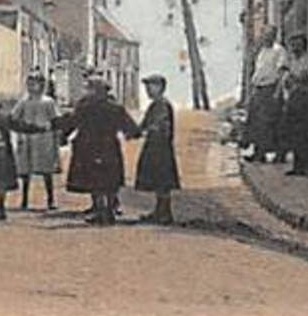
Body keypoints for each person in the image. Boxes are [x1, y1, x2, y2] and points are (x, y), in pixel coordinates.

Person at [55, 73, 141, 225]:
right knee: (108, 179)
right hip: (109, 146)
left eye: (89, 88)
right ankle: (108, 211)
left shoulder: (84, 106)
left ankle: (100, 210)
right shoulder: (115, 107)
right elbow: (131, 128)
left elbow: (72, 122)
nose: (87, 91)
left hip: (88, 146)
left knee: (94, 180)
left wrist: (62, 135)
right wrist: (132, 133)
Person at [134, 74, 181, 224]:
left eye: (151, 86)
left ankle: (165, 214)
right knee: (159, 181)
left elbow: (160, 126)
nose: (147, 89)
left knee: (162, 181)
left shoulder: (161, 104)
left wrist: (145, 131)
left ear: (160, 87)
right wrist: (136, 131)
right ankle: (160, 212)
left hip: (160, 148)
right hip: (155, 146)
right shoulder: (156, 105)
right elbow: (144, 124)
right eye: (146, 86)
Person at [10, 71, 59, 210]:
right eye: (30, 83)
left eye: (36, 83)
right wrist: (20, 131)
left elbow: (55, 119)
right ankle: (24, 200)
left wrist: (56, 134)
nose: (33, 86)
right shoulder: (24, 101)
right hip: (27, 139)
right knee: (26, 172)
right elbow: (14, 117)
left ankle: (50, 200)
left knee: (46, 171)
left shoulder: (48, 102)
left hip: (44, 139)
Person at [245, 26, 286, 163]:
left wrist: (277, 91)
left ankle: (279, 154)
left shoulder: (279, 51)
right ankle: (258, 152)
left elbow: (281, 73)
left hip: (271, 88)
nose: (266, 37)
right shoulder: (261, 52)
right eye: (264, 35)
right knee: (256, 123)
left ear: (274, 36)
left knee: (271, 122)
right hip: (259, 88)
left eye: (269, 35)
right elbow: (258, 72)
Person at [279, 34, 308, 176]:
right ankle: (298, 165)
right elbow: (287, 79)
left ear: (304, 45)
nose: (295, 48)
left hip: (306, 97)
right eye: (293, 45)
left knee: (306, 132)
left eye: (298, 45)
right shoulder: (290, 61)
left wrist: (296, 78)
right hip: (293, 98)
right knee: (294, 133)